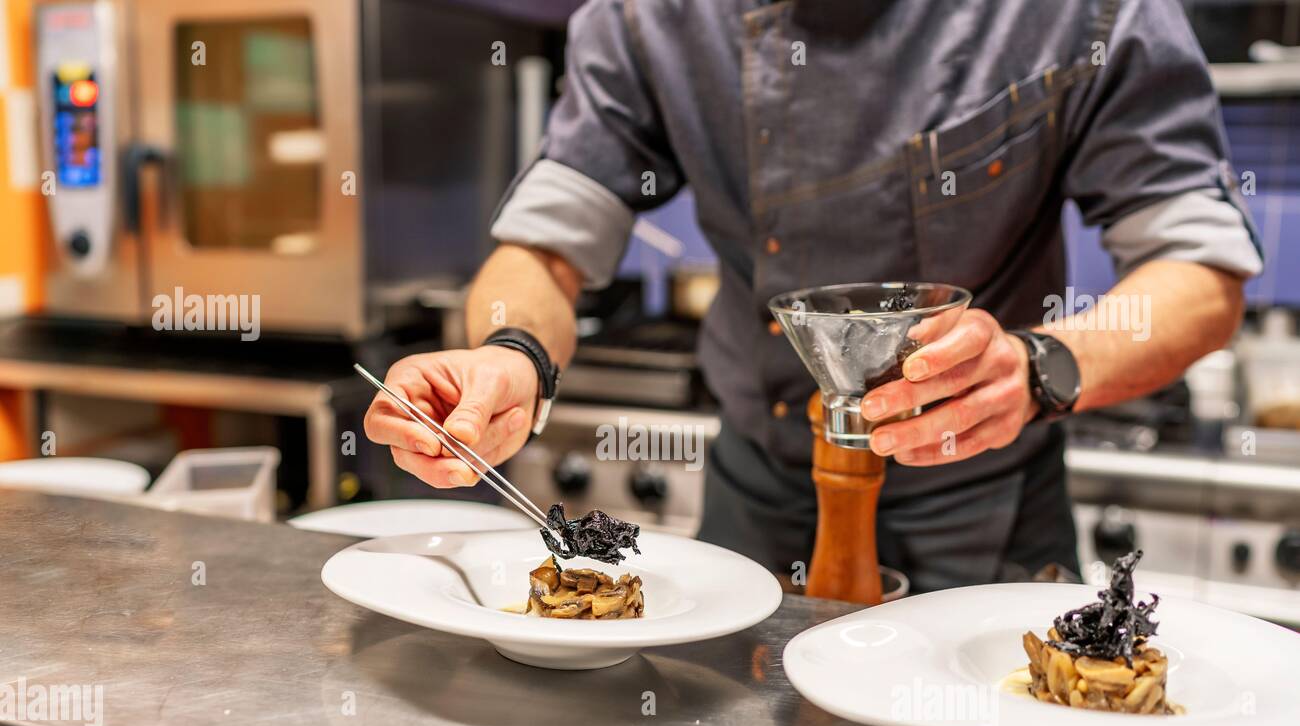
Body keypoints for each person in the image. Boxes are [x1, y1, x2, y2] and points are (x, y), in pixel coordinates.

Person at [364, 0, 1261, 592]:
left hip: (981, 516)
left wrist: (1038, 367)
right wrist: (507, 353)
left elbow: (1200, 278)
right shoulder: (650, 21)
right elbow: (547, 249)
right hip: (756, 500)